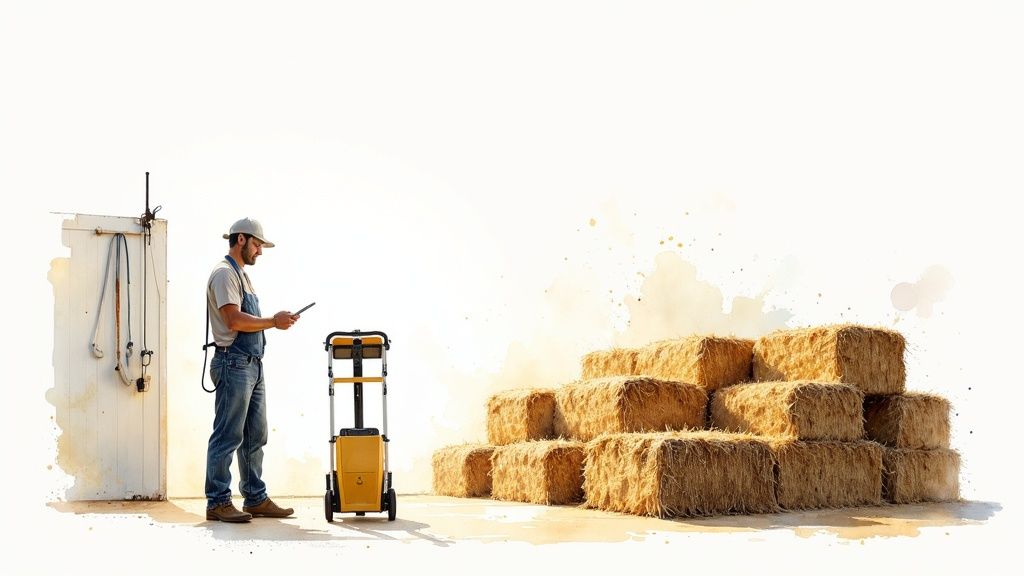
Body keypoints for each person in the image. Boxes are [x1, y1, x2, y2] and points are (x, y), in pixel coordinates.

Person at [205, 217, 299, 523]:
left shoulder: (242, 276)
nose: (260, 251)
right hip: (233, 362)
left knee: (255, 435)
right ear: (241, 239)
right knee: (228, 435)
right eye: (257, 244)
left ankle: (255, 498)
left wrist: (275, 321)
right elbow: (233, 320)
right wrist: (273, 321)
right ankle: (218, 502)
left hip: (252, 365)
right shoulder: (224, 274)